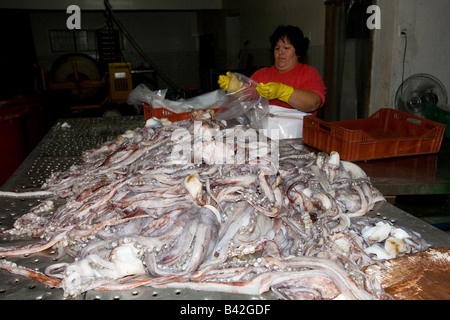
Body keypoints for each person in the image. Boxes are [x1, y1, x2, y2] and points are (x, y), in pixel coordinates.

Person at [218, 25, 326, 116]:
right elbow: (246, 101)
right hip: (264, 133)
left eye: (286, 48)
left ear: (298, 52)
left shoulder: (308, 73)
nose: (280, 52)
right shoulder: (262, 74)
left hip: (296, 136)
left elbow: (314, 102)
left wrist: (283, 91)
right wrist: (237, 90)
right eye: (277, 48)